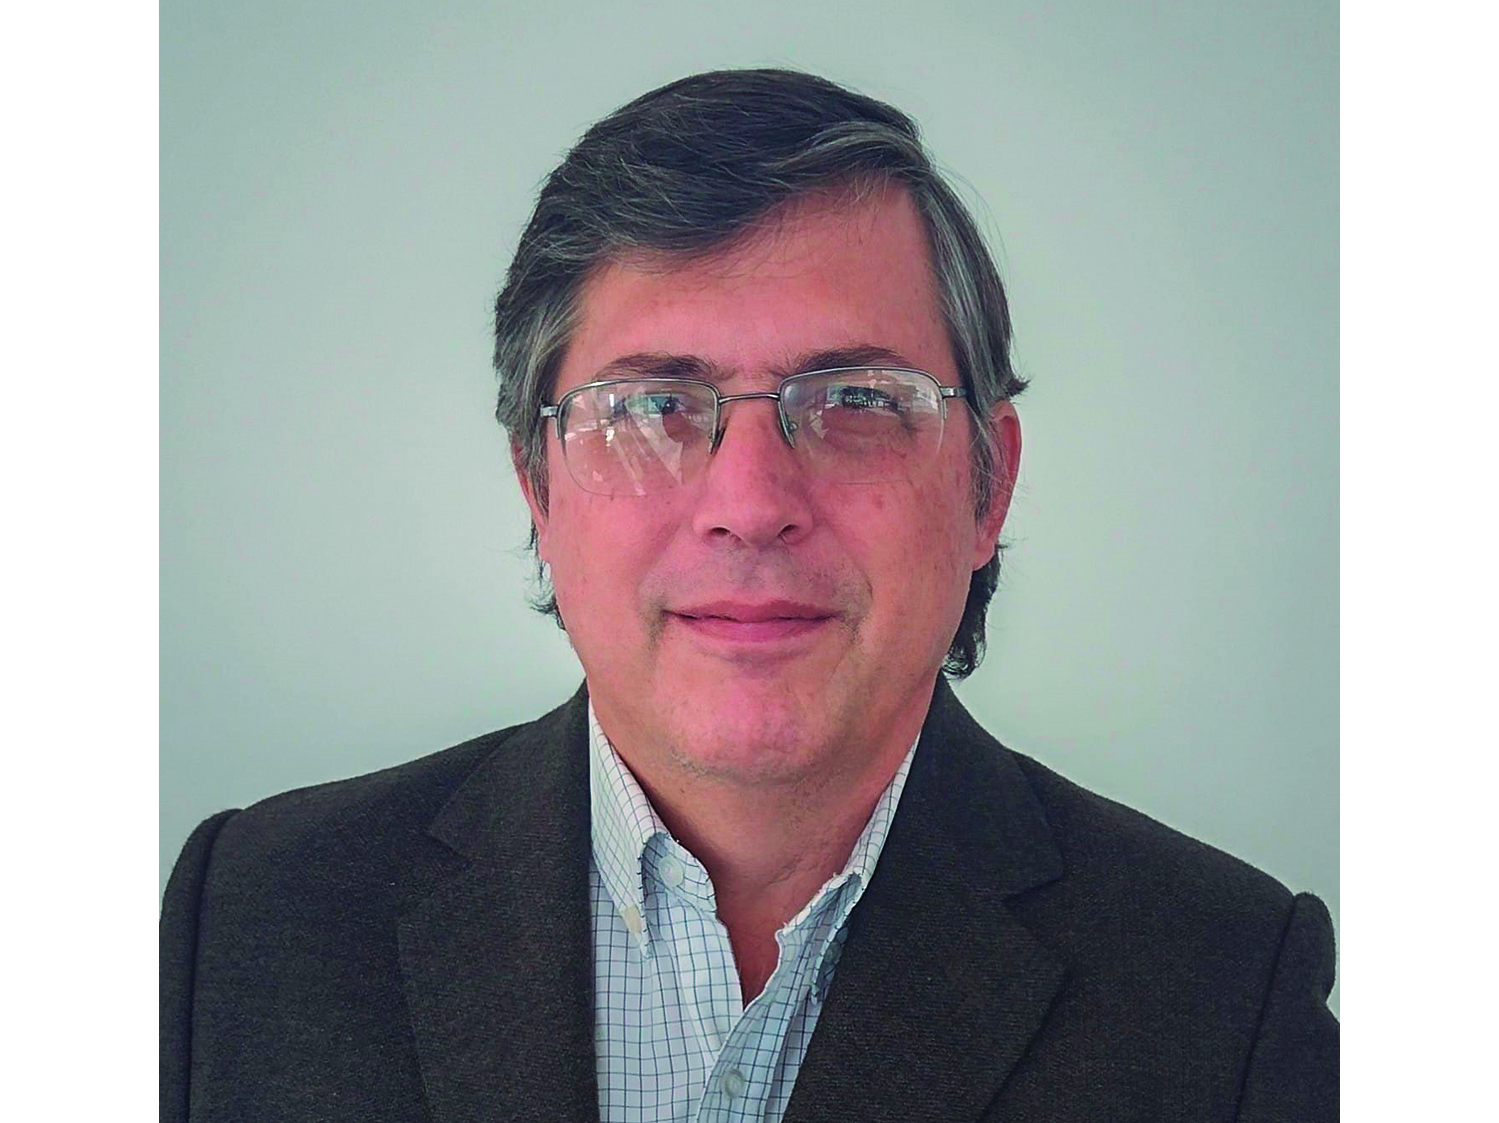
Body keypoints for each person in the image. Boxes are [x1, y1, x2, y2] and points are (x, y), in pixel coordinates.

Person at [160, 69, 1337, 1122]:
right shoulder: (255, 922)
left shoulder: (1224, 989)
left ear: (987, 485)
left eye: (857, 400)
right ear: (537, 484)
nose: (750, 502)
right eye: (651, 408)